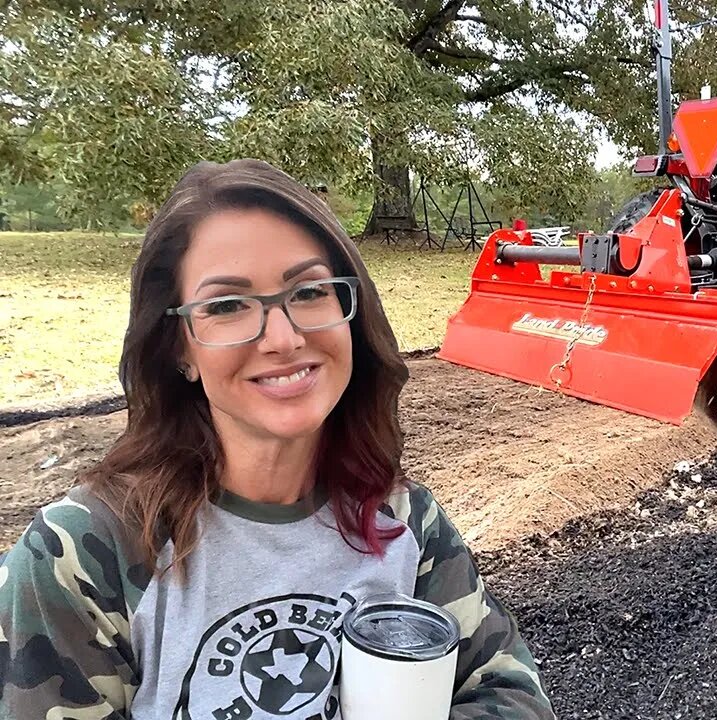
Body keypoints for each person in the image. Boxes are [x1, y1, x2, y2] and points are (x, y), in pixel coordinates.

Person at [0, 159, 555, 719]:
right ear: (178, 348)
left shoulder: (404, 520)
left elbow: (512, 693)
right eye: (226, 306)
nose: (284, 338)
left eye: (309, 291)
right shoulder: (79, 556)